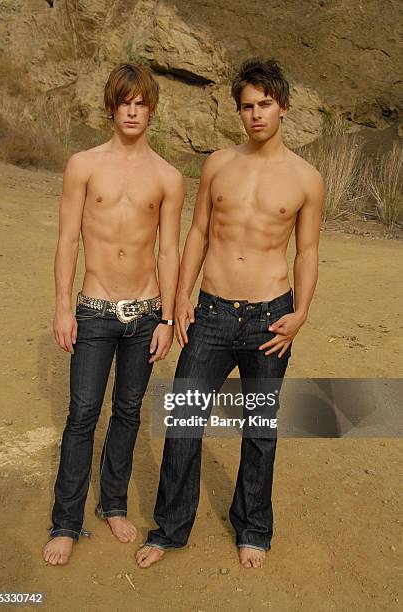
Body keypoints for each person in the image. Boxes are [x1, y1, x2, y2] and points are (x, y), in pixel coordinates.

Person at [136, 57, 324, 569]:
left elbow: (306, 252)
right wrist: (180, 296)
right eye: (247, 106)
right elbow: (197, 233)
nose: (256, 114)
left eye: (265, 104)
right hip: (213, 313)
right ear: (238, 112)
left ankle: (254, 528)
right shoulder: (219, 163)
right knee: (183, 422)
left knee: (260, 429)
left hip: (271, 318)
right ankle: (171, 529)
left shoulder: (306, 179)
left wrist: (301, 312)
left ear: (283, 107)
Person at [42, 63, 184, 566]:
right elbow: (67, 240)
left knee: (127, 413)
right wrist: (64, 307)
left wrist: (167, 318)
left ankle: (115, 504)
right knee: (82, 414)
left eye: (141, 102)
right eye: (125, 101)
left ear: (151, 109)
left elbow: (169, 252)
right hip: (95, 310)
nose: (132, 109)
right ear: (111, 106)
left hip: (145, 313)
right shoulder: (83, 165)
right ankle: (66, 520)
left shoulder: (169, 176)